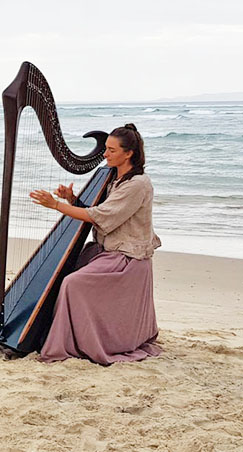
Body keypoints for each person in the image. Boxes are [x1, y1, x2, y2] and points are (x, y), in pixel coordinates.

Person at [29, 123, 161, 365]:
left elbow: (100, 216)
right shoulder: (115, 178)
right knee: (63, 275)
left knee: (72, 283)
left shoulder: (137, 184)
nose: (105, 154)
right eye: (106, 149)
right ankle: (67, 336)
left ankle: (76, 343)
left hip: (126, 259)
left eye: (111, 150)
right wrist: (71, 199)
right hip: (105, 252)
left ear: (128, 153)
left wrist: (56, 205)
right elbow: (99, 211)